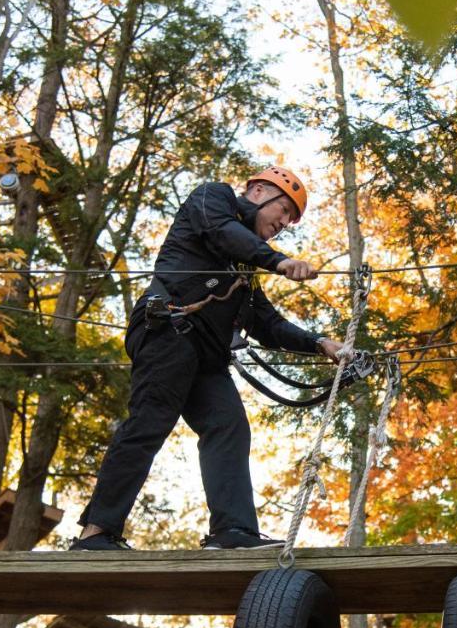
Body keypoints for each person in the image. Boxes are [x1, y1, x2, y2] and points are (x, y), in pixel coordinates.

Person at [71, 166, 344, 551]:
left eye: (290, 220)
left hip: (206, 355)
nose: (284, 222)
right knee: (150, 422)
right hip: (168, 330)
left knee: (228, 425)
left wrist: (319, 342)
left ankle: (233, 532)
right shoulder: (211, 198)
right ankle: (96, 533)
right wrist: (278, 261)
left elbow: (265, 321)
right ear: (259, 191)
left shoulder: (246, 267)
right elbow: (222, 232)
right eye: (283, 210)